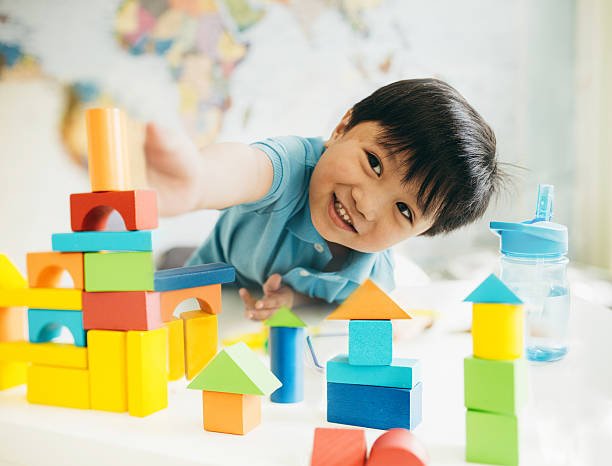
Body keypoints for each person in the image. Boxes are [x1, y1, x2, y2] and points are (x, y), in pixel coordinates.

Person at [145, 79, 503, 320]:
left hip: (256, 295)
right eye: (374, 163)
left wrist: (292, 298)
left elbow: (331, 297)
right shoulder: (294, 165)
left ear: (419, 234)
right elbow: (248, 168)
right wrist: (199, 180)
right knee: (164, 277)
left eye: (404, 210)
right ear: (342, 129)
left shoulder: (372, 278)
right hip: (211, 267)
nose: (367, 205)